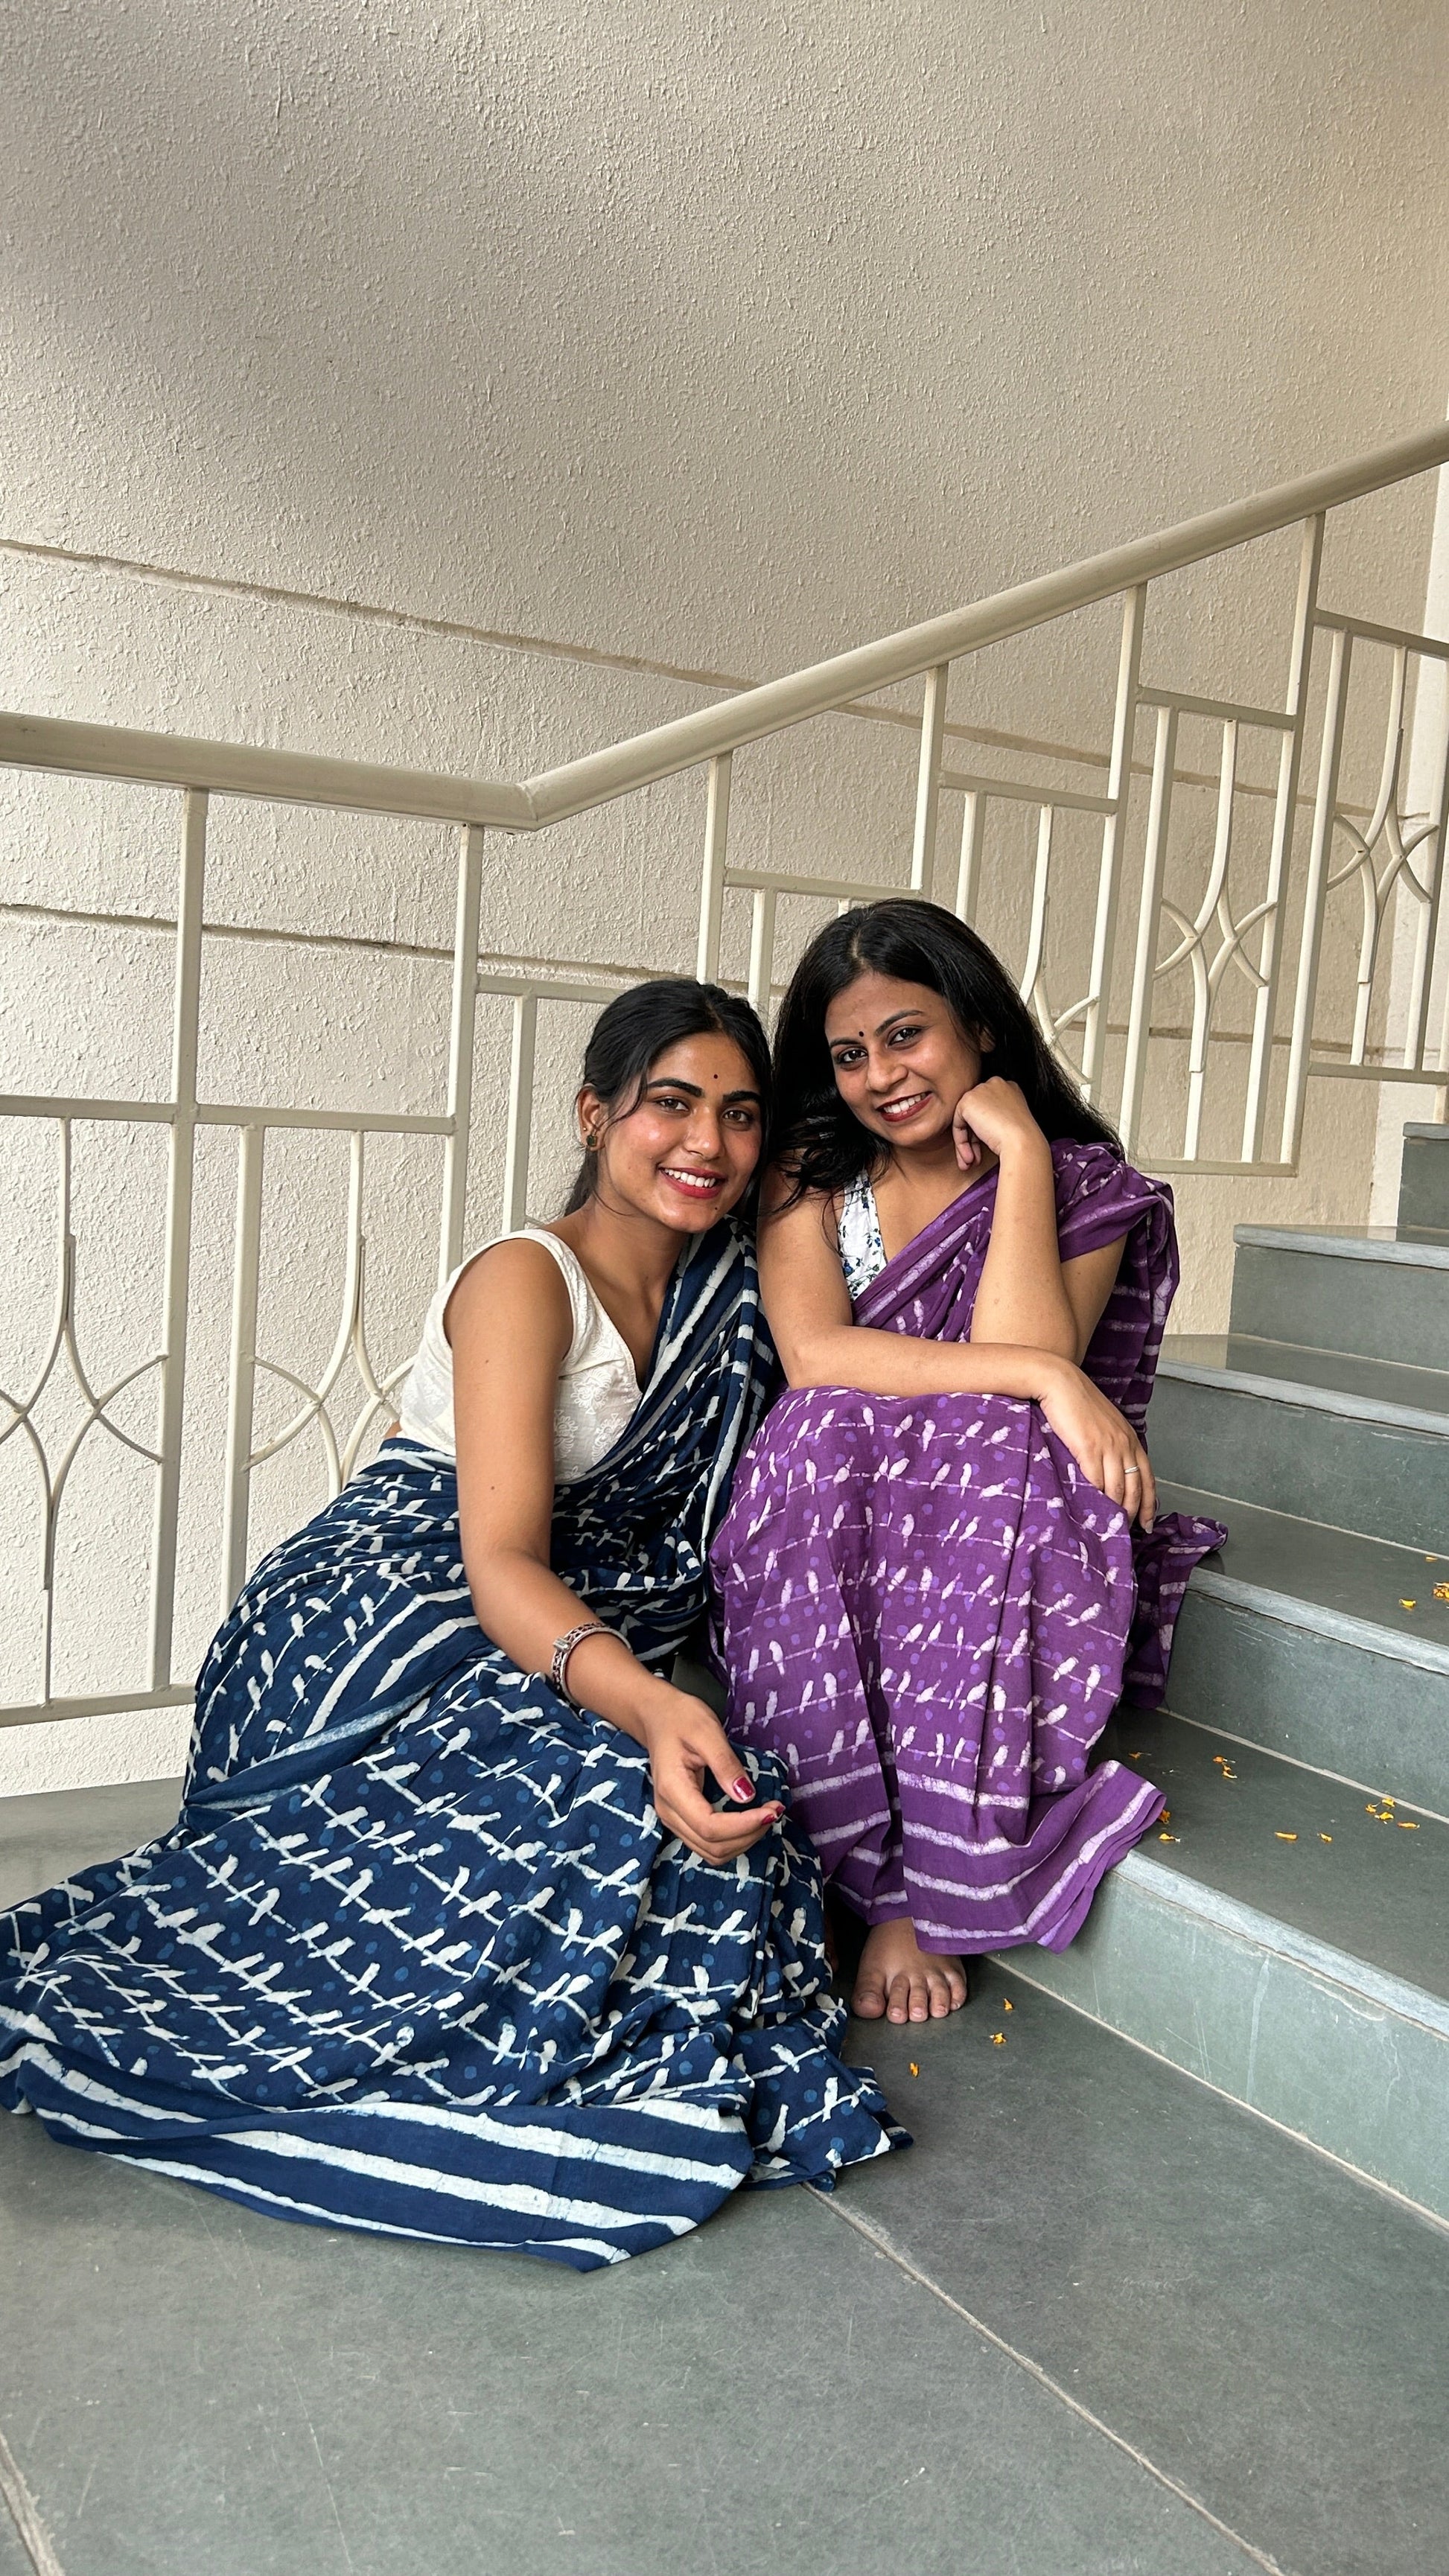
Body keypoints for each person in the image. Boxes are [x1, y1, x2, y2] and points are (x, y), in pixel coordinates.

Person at [0, 980, 902, 2269]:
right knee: (631, 1811)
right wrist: (653, 1704)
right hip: (375, 1628)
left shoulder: (739, 1294)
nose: (706, 1141)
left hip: (554, 1633)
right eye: (670, 1103)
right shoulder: (526, 1279)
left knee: (717, 1838)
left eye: (740, 1114)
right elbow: (499, 1561)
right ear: (595, 1115)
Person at [710, 902, 1226, 2030]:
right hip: (851, 1473)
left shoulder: (1081, 1182)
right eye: (849, 1054)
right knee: (817, 1434)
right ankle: (852, 1857)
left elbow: (1018, 1360)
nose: (880, 1076)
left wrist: (1023, 1155)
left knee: (996, 1449)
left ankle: (921, 1879)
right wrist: (1047, 1379)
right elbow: (817, 1354)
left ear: (980, 1027)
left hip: (993, 1486)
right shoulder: (815, 1170)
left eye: (906, 1035)